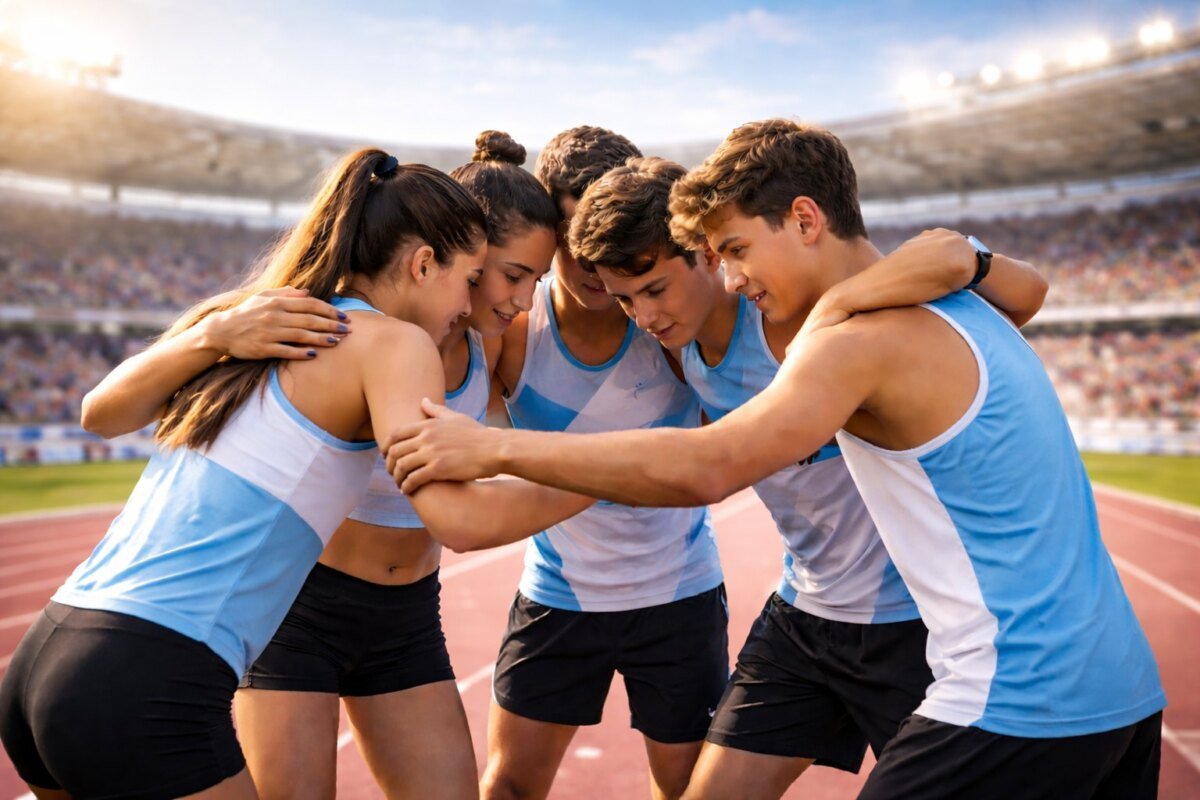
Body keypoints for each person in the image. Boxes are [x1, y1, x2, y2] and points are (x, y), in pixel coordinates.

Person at [387, 120, 1167, 800]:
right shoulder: (695, 342)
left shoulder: (831, 331)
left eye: (731, 250)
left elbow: (709, 465)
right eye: (626, 300)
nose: (730, 275)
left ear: (799, 220)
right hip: (811, 614)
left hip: (965, 653)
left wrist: (493, 448)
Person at [0, 149, 591, 800]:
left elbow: (99, 412)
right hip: (147, 678)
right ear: (424, 263)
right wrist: (614, 474)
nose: (475, 298)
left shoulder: (262, 314)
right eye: (473, 275)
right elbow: (461, 519)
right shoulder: (394, 344)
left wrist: (210, 334)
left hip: (49, 653)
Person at [563, 154, 1048, 799]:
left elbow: (1022, 298)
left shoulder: (802, 320)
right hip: (806, 614)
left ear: (709, 256)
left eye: (655, 290)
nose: (645, 317)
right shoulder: (678, 352)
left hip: (914, 625)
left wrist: (967, 255)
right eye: (626, 301)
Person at [478, 125, 726, 800]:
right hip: (558, 595)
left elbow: (719, 453)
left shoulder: (671, 325)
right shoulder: (516, 333)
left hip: (678, 595)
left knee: (686, 791)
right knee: (506, 787)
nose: (591, 258)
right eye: (569, 228)